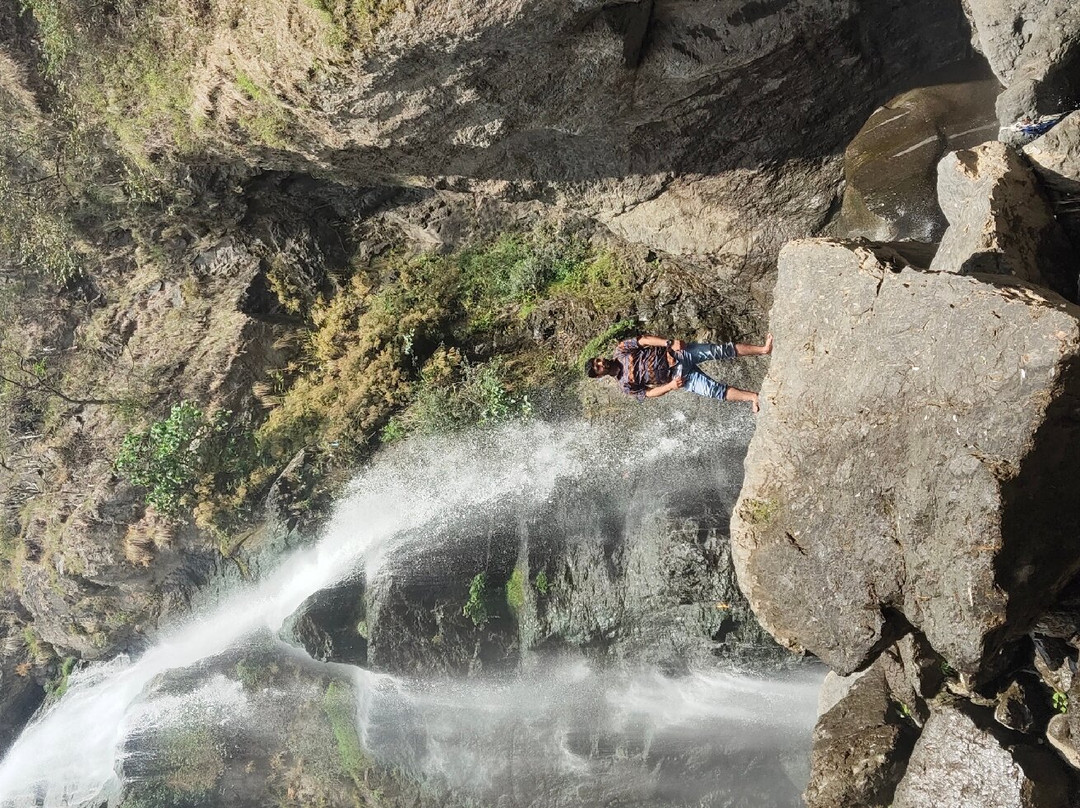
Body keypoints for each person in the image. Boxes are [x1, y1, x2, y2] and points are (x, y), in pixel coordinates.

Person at [585, 333, 772, 412]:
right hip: (678, 378)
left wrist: (669, 342)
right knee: (715, 391)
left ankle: (763, 349)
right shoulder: (625, 385)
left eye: (598, 360)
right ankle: (753, 397)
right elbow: (648, 393)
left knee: (720, 350)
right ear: (600, 375)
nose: (601, 363)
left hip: (678, 353)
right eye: (598, 367)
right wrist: (670, 386)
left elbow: (643, 340)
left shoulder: (621, 350)